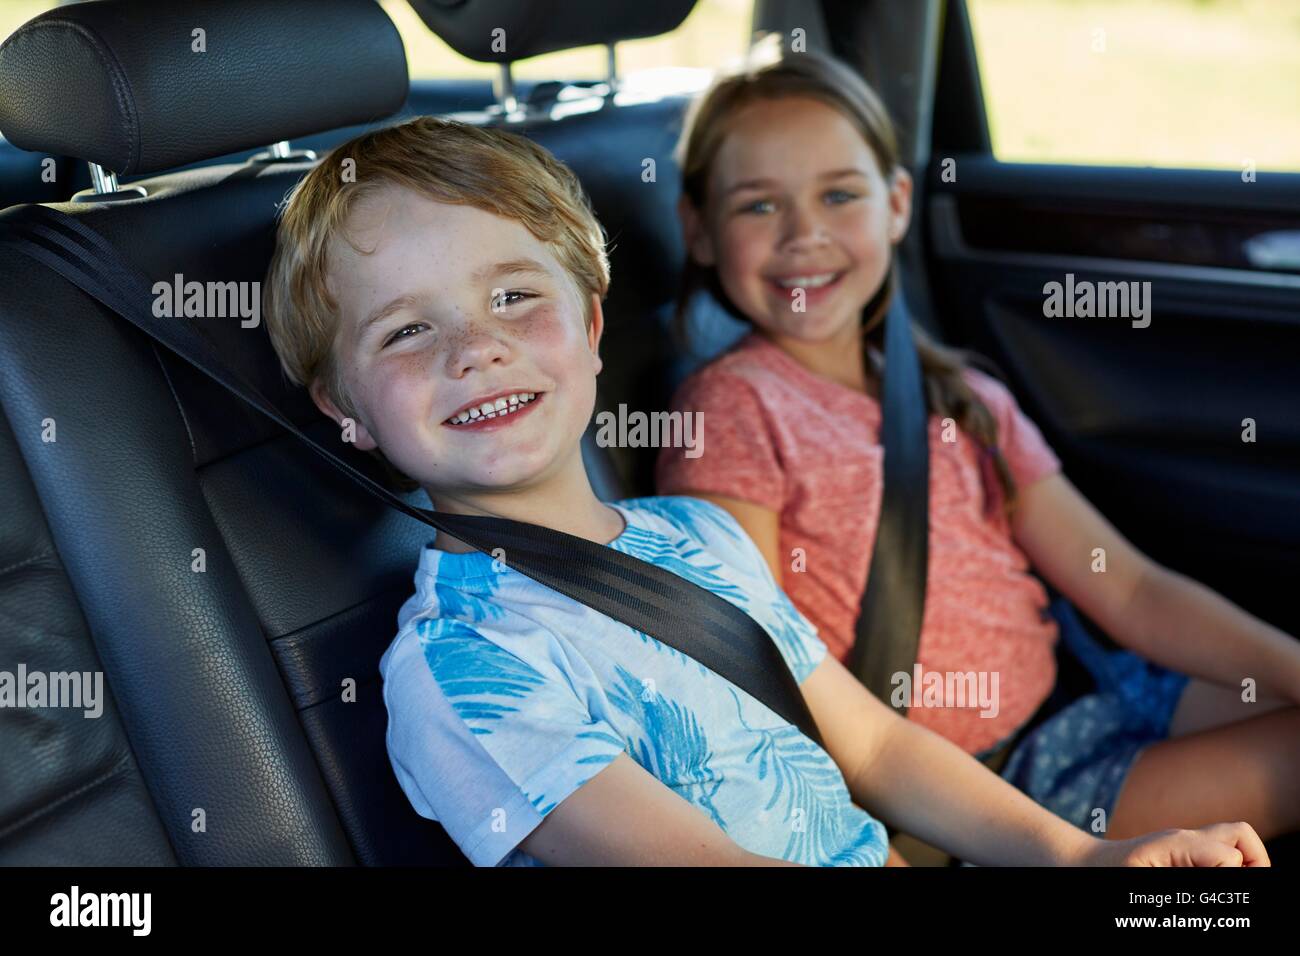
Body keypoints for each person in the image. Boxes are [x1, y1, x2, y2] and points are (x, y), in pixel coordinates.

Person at [261, 114, 1266, 866]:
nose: (476, 348)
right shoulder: (459, 667)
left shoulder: (696, 533)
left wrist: (1075, 854)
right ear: (342, 405)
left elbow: (871, 742)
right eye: (406, 330)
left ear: (594, 325)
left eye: (515, 296)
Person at [656, 46, 1300, 847]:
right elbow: (751, 658)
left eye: (840, 194)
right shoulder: (731, 409)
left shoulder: (959, 394)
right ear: (699, 230)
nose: (805, 235)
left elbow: (1128, 590)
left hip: (1094, 693)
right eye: (759, 206)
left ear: (896, 204)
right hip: (1002, 783)